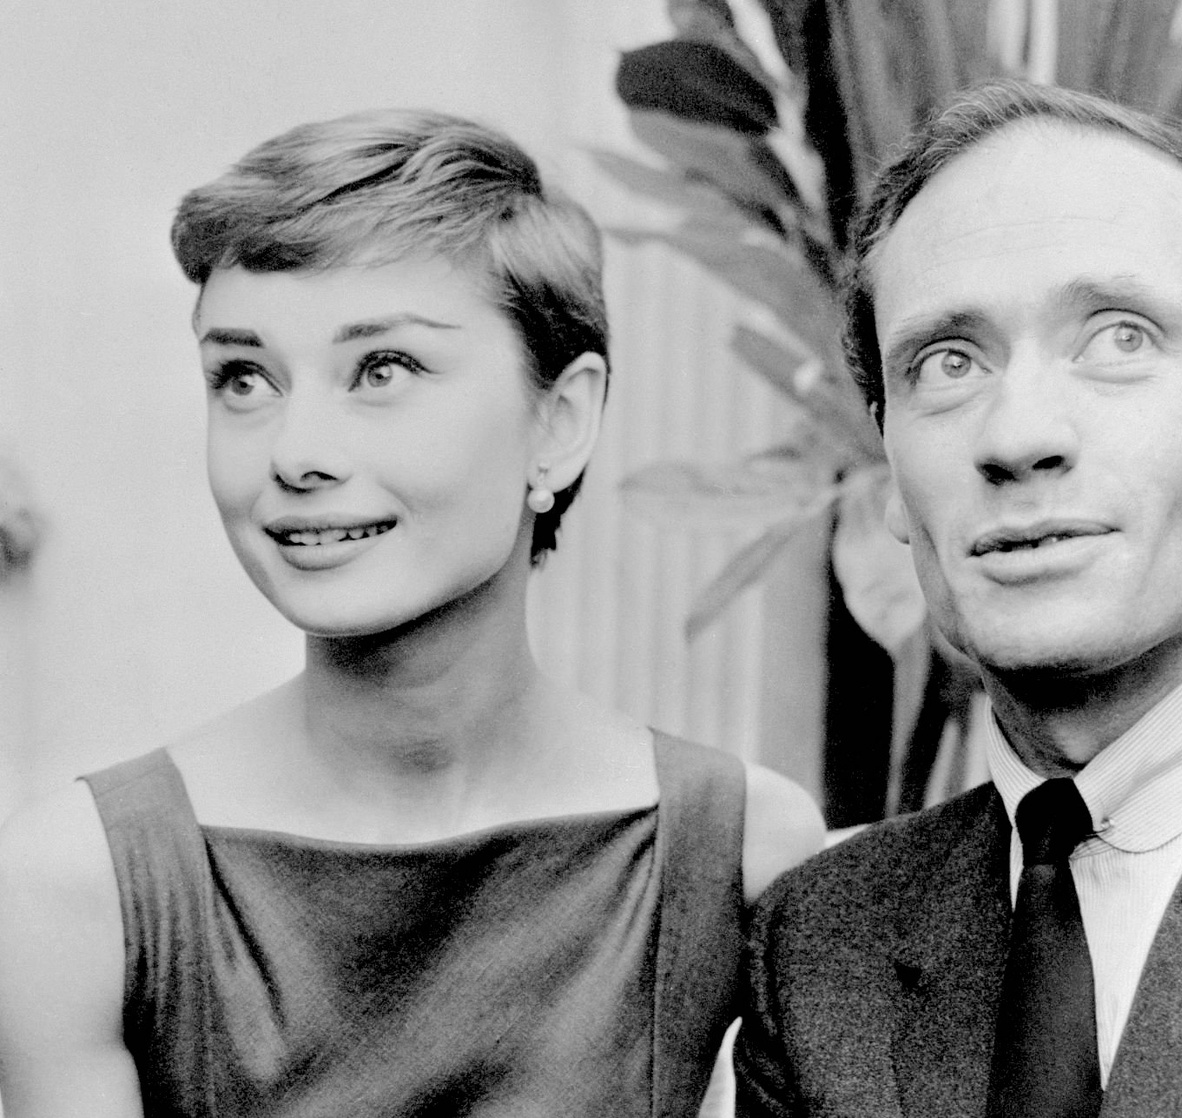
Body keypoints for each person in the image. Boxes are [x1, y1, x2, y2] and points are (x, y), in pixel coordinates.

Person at [0, 108, 824, 1117]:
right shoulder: (76, 889)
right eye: (244, 378)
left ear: (559, 422)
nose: (296, 452)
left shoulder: (743, 852)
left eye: (382, 369)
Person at [735, 80, 1182, 1117]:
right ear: (887, 465)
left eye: (1118, 337)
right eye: (947, 362)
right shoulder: (820, 948)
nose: (1017, 436)